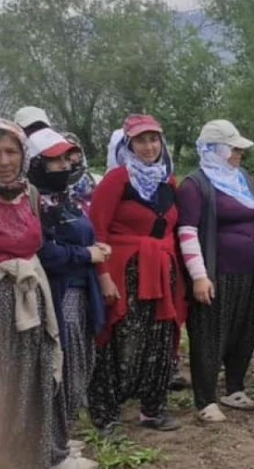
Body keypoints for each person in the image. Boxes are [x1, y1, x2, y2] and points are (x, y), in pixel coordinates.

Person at [0, 118, 97, 469]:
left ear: (23, 153)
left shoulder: (28, 193)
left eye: (11, 151)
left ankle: (38, 453)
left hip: (28, 304)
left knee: (34, 379)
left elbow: (32, 248)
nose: (4, 161)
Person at [88, 114, 186, 433]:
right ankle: (107, 414)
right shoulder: (117, 180)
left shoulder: (168, 181)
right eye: (141, 140)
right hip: (125, 272)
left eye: (154, 139)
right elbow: (96, 230)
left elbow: (173, 227)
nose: (149, 146)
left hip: (161, 270)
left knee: (159, 339)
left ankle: (153, 409)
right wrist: (103, 275)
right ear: (128, 145)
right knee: (120, 341)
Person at [176, 120, 254, 423]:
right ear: (216, 149)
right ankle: (206, 398)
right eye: (234, 147)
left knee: (243, 330)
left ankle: (235, 387)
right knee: (209, 335)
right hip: (215, 272)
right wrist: (199, 275)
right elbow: (187, 231)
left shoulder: (242, 180)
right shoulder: (195, 184)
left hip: (246, 271)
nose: (239, 152)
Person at [27, 123, 108, 433]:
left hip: (81, 287)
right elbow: (44, 252)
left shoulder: (65, 197)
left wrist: (94, 248)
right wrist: (86, 255)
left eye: (67, 159)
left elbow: (80, 235)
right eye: (55, 160)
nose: (65, 165)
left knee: (81, 356)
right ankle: (59, 432)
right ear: (36, 163)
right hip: (59, 292)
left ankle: (67, 428)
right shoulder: (34, 202)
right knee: (64, 359)